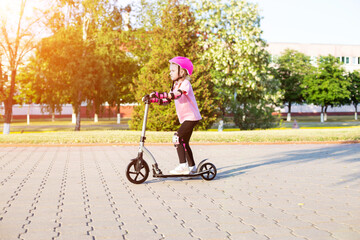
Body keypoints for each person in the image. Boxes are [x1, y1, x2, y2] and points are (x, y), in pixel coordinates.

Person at [149, 56, 202, 174]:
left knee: (177, 137)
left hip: (191, 117)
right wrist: (153, 100)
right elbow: (167, 100)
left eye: (172, 70)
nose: (170, 73)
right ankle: (192, 167)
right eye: (170, 70)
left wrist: (159, 94)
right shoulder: (176, 85)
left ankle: (182, 165)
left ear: (182, 71)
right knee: (184, 142)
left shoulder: (186, 83)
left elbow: (176, 95)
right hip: (186, 119)